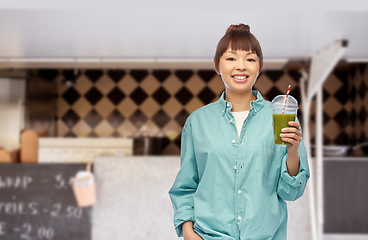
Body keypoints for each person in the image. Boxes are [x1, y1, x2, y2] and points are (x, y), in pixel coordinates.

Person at [168, 23, 310, 240]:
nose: (241, 66)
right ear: (217, 65)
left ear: (259, 67)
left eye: (250, 59)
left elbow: (290, 192)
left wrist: (293, 151)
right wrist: (188, 231)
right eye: (231, 58)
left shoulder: (281, 117)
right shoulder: (197, 122)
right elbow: (186, 185)